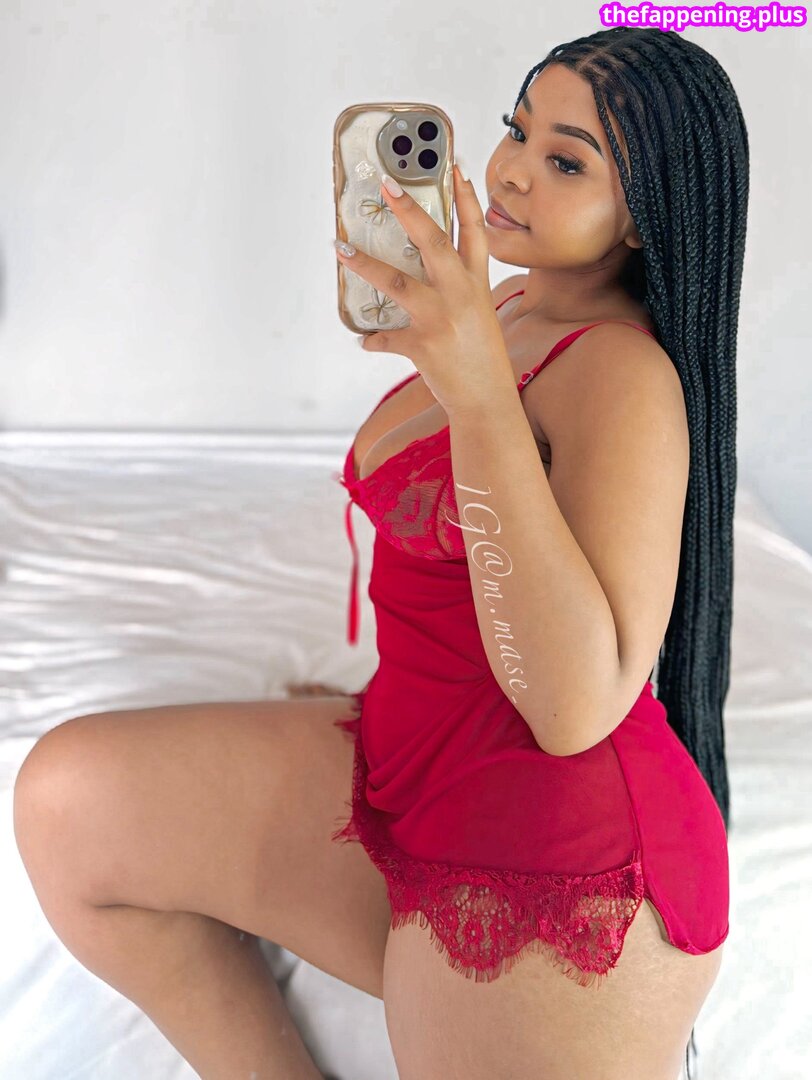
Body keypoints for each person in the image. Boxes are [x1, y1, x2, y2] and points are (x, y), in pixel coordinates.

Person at [14, 25, 747, 1080]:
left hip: (553, 844)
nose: (510, 170)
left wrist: (478, 393)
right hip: (415, 753)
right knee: (69, 805)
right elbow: (462, 573)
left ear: (642, 214)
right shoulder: (507, 305)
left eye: (566, 161)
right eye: (516, 130)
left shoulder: (622, 377)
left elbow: (573, 708)